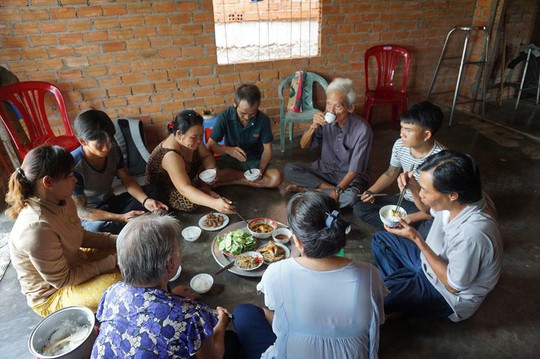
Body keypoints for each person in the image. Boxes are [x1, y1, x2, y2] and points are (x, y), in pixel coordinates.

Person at [233, 192, 387, 359]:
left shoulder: (276, 273)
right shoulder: (370, 273)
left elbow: (276, 309)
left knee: (243, 312)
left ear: (297, 241)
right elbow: (375, 322)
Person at [371, 150, 503, 322]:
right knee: (381, 240)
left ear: (452, 195)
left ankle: (401, 294)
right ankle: (404, 292)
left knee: (375, 300)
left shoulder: (472, 233)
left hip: (445, 291)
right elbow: (427, 211)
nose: (421, 194)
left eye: (425, 190)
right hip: (429, 263)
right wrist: (413, 186)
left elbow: (454, 286)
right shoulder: (462, 200)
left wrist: (417, 239)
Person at [91, 213, 238, 359]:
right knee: (231, 340)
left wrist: (172, 296)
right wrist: (221, 324)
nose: (181, 252)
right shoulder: (192, 315)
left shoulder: (112, 291)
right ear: (170, 264)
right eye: (178, 248)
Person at [6, 146, 120, 317]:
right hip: (53, 295)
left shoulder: (63, 200)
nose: (75, 180)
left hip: (75, 261)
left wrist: (121, 240)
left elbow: (81, 236)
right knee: (119, 284)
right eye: (69, 176)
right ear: (48, 182)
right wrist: (112, 261)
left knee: (133, 251)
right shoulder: (36, 228)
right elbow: (64, 280)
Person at [354, 101, 446, 237]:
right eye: (402, 128)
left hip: (424, 208)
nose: (402, 134)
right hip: (402, 200)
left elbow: (439, 208)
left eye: (408, 130)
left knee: (433, 228)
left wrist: (410, 217)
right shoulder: (400, 145)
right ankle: (398, 230)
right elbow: (390, 173)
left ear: (426, 135)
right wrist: (371, 192)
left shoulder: (441, 160)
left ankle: (398, 230)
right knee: (360, 207)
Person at [71, 109, 168, 234]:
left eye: (109, 140)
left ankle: (134, 225)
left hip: (112, 202)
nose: (106, 147)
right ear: (82, 141)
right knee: (97, 228)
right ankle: (136, 224)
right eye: (99, 143)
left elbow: (127, 181)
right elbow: (82, 212)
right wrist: (121, 218)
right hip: (94, 214)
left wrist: (145, 200)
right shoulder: (73, 165)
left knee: (156, 190)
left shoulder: (113, 150)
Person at [284, 78, 372, 208]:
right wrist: (313, 126)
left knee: (352, 197)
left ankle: (310, 190)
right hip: (325, 171)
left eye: (337, 106)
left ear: (350, 108)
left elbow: (354, 170)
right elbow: (304, 145)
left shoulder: (362, 130)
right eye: (328, 104)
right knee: (290, 169)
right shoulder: (324, 120)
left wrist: (338, 190)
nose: (330, 111)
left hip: (349, 178)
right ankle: (325, 192)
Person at [146, 109, 235, 214]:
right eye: (194, 137)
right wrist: (214, 204)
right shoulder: (171, 155)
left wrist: (210, 171)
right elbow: (185, 189)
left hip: (186, 179)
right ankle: (204, 190)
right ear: (179, 134)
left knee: (213, 174)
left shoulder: (193, 139)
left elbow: (206, 156)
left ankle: (203, 188)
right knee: (191, 202)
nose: (199, 141)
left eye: (201, 136)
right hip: (165, 189)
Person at [207, 84, 283, 188]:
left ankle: (233, 180)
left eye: (252, 114)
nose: (247, 117)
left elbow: (267, 149)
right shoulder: (225, 116)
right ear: (234, 103)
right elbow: (211, 145)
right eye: (243, 113)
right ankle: (246, 179)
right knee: (210, 175)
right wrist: (229, 150)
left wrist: (260, 170)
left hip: (255, 161)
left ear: (258, 105)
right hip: (231, 160)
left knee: (276, 178)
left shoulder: (263, 119)